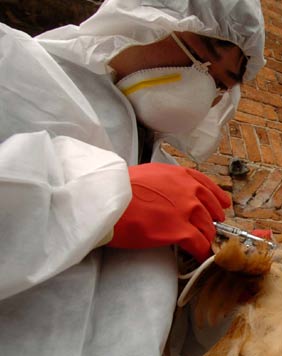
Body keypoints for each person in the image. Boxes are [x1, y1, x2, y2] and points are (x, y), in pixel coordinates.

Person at [0, 1, 265, 355]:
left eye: (219, 82)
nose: (203, 83)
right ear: (147, 17)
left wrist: (215, 292)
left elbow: (154, 331)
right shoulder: (13, 70)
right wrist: (104, 202)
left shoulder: (168, 176)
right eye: (206, 50)